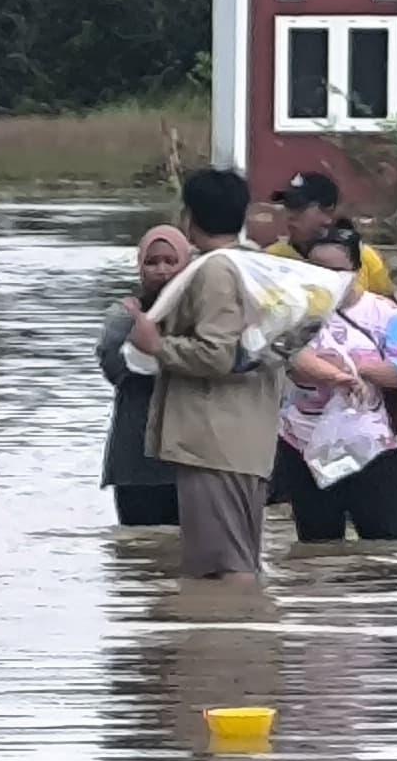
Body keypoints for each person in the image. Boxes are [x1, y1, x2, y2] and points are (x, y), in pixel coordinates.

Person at [129, 168, 288, 579]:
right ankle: (249, 638)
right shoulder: (260, 265)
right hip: (248, 438)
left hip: (213, 441)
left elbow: (217, 354)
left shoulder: (216, 271)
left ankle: (225, 640)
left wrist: (157, 345)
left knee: (222, 570)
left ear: (189, 217)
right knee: (238, 561)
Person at [269, 222, 397, 542]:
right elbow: (290, 361)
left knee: (385, 548)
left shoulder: (384, 313)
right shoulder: (295, 312)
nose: (325, 279)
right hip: (304, 447)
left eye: (336, 270)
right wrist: (335, 374)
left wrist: (360, 370)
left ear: (356, 269)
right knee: (317, 551)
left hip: (373, 447)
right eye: (316, 269)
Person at [96, 225, 191, 528]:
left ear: (186, 265)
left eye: (170, 261)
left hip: (190, 457)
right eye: (152, 262)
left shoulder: (203, 314)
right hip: (134, 455)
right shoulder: (123, 316)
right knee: (138, 556)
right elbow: (115, 369)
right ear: (140, 268)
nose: (161, 271)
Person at [265, 169, 395, 303]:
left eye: (298, 206)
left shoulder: (365, 258)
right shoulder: (271, 259)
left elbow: (391, 314)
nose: (290, 215)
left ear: (328, 212)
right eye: (288, 206)